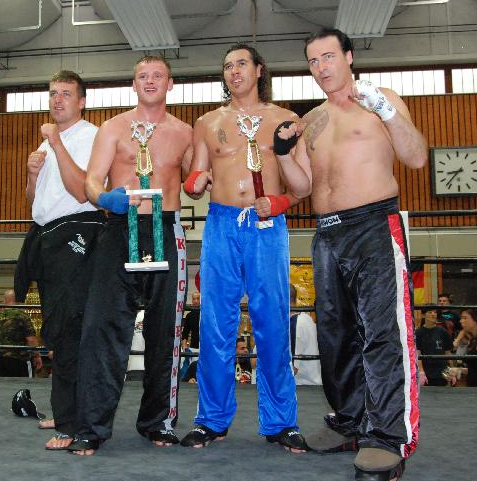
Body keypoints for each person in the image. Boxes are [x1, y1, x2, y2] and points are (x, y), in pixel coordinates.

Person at [275, 28, 427, 480]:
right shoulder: (313, 120)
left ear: (349, 57)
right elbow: (302, 186)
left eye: (328, 57)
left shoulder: (382, 100)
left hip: (374, 225)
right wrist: (282, 155)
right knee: (336, 336)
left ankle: (388, 437)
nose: (321, 67)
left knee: (382, 333)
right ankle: (350, 422)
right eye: (313, 61)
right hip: (327, 233)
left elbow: (417, 157)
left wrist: (386, 111)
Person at [181, 43, 307, 452]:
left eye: (240, 64)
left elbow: (302, 185)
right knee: (215, 324)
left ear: (258, 70)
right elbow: (195, 177)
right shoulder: (207, 122)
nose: (233, 71)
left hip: (267, 225)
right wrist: (194, 183)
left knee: (272, 322)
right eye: (227, 66)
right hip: (221, 224)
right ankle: (211, 420)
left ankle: (281, 422)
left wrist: (280, 201)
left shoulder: (286, 120)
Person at [67, 55, 193, 455]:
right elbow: (91, 180)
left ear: (170, 84)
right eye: (142, 76)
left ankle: (158, 422)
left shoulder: (185, 133)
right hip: (119, 228)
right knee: (102, 329)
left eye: (157, 75)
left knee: (166, 331)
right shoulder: (113, 128)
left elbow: (195, 181)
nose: (150, 81)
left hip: (166, 229)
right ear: (133, 84)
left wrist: (205, 176)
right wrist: (105, 197)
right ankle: (91, 427)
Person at [14, 70, 105, 450]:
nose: (57, 100)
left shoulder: (90, 136)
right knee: (56, 329)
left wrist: (55, 142)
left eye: (66, 94)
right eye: (53, 93)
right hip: (47, 235)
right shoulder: (49, 143)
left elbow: (83, 191)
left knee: (71, 330)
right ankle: (65, 410)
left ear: (81, 102)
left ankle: (72, 424)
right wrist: (32, 175)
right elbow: (34, 202)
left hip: (78, 233)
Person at [0, 289, 42, 377]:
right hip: (17, 359)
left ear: (5, 300)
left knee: (1, 384)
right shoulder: (22, 315)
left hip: (0, 359)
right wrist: (37, 356)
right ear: (17, 299)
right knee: (21, 384)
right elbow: (31, 340)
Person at [290, 285, 322, 386]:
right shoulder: (306, 319)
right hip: (312, 385)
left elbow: (292, 369)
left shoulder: (295, 323)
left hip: (303, 388)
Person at [415, 308, 453, 387]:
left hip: (442, 372)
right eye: (430, 312)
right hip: (426, 373)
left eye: (435, 312)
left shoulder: (442, 331)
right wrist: (421, 372)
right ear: (423, 315)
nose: (433, 314)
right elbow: (418, 353)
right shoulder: (418, 333)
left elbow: (448, 353)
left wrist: (451, 370)